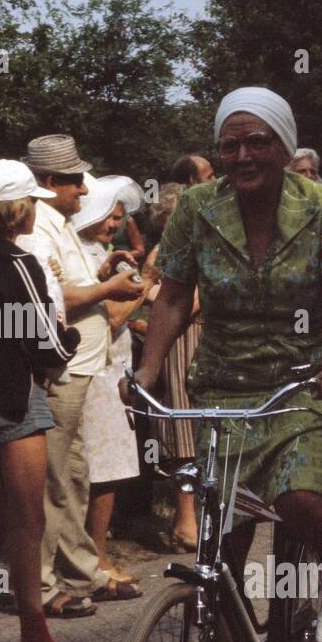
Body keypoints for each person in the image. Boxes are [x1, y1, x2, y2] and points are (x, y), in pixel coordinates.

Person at [128, 87, 322, 642]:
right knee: (221, 546)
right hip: (225, 388)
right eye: (229, 146)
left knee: (299, 498)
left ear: (282, 147)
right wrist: (148, 373)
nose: (243, 156)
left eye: (257, 142)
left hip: (302, 385)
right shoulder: (198, 208)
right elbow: (175, 296)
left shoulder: (319, 206)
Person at [0, 159, 98, 642]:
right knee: (29, 524)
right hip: (17, 396)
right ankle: (37, 641)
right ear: (18, 209)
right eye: (32, 201)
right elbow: (51, 344)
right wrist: (71, 338)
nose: (37, 208)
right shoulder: (20, 264)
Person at [17, 134, 143, 618]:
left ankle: (81, 570)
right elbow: (50, 300)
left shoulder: (57, 222)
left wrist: (104, 271)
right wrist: (109, 286)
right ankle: (47, 583)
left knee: (74, 474)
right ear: (50, 183)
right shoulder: (37, 228)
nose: (84, 191)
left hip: (83, 368)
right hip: (63, 369)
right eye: (74, 181)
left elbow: (71, 284)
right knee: (53, 478)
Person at [72, 175, 150, 586]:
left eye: (119, 217)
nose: (115, 224)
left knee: (109, 471)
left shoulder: (96, 252)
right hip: (99, 374)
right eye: (110, 215)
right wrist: (148, 280)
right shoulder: (81, 255)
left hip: (113, 369)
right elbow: (112, 318)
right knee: (102, 472)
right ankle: (96, 559)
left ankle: (92, 557)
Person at [140, 183, 202, 551]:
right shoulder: (169, 250)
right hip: (177, 343)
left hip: (189, 339)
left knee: (187, 429)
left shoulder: (188, 250)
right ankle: (187, 520)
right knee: (180, 430)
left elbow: (183, 301)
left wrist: (147, 288)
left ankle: (190, 520)